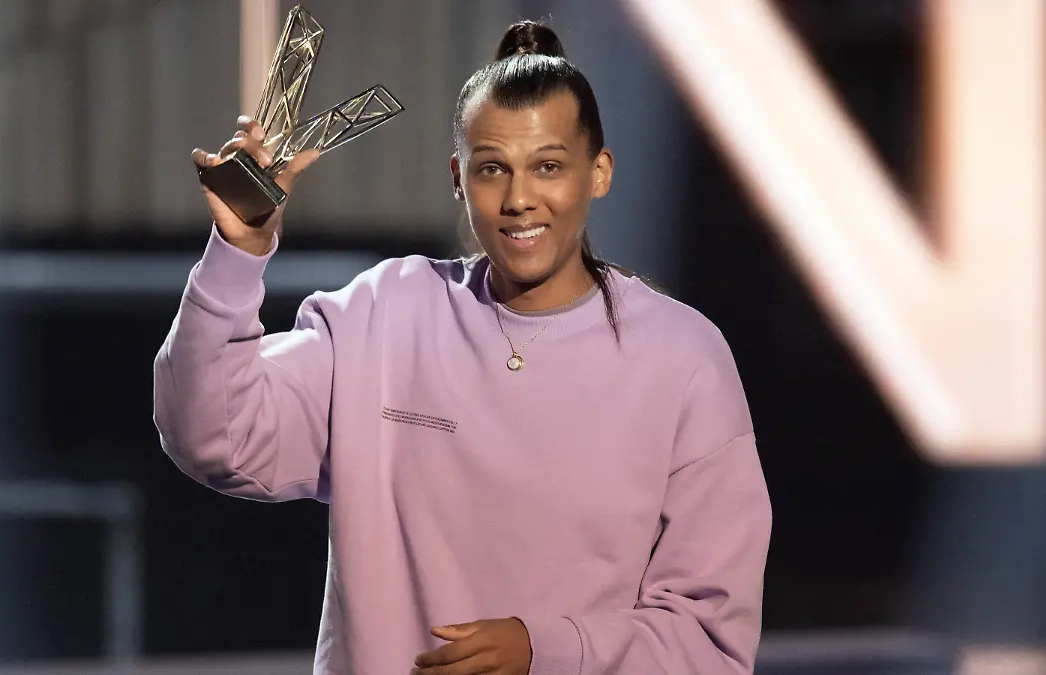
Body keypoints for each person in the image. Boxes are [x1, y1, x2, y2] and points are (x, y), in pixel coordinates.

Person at [155, 19, 772, 675]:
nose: (519, 198)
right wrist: (237, 252)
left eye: (549, 167)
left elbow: (708, 642)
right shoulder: (384, 314)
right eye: (492, 169)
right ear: (459, 176)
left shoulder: (682, 359)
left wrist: (541, 649)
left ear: (599, 173)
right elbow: (212, 433)